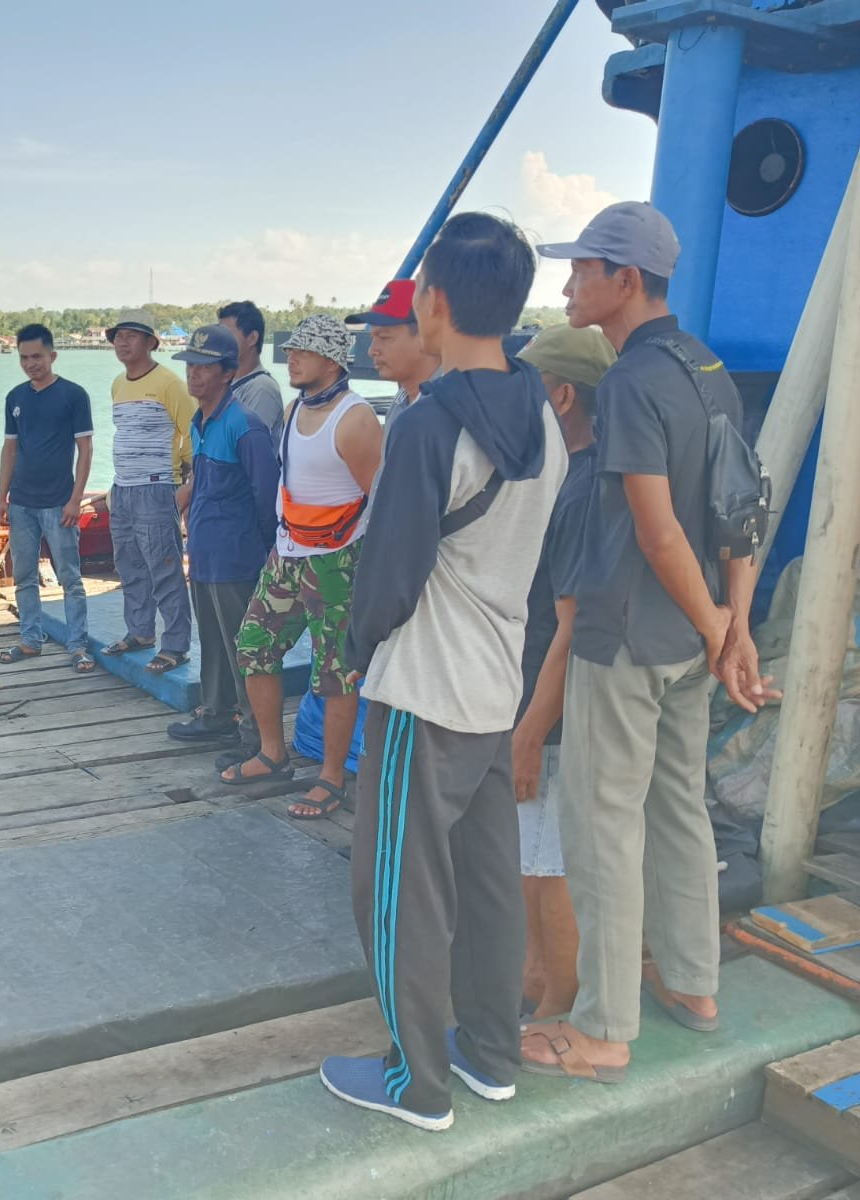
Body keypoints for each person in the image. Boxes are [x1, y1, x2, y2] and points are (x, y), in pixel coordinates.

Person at [320, 212, 567, 1132]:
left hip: (424, 687)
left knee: (396, 889)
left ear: (432, 301)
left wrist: (351, 655)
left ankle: (414, 1082)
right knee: (489, 881)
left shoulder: (429, 424)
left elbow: (387, 576)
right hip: (496, 679)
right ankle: (491, 1053)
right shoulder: (540, 409)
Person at [522, 203, 776, 1083]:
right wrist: (731, 629)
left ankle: (601, 1029)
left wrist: (719, 627)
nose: (566, 287)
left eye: (582, 270)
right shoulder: (707, 367)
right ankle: (695, 985)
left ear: (624, 280)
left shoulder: (630, 381)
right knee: (679, 813)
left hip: (628, 636)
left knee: (602, 828)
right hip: (690, 645)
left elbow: (660, 528)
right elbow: (740, 509)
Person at [225, 315, 383, 819]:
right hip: (288, 553)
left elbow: (378, 501)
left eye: (304, 351)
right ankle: (273, 752)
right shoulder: (294, 409)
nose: (291, 358)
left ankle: (332, 778)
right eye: (291, 349)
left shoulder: (356, 420)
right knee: (254, 644)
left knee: (336, 673)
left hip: (338, 560)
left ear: (333, 360)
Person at [510, 323, 615, 1020]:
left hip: (553, 704)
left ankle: (557, 1006)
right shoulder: (564, 473)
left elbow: (573, 628)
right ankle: (530, 979)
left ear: (564, 395)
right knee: (529, 855)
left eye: (529, 387)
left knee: (550, 863)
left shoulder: (583, 490)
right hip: (531, 691)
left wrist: (530, 730)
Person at [166, 324, 279, 744]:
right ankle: (215, 714)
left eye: (205, 367)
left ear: (228, 373)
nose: (194, 374)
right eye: (191, 365)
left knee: (243, 648)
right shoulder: (200, 422)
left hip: (236, 557)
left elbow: (267, 496)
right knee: (212, 640)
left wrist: (265, 553)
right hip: (205, 553)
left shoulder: (244, 426)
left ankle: (254, 733)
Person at [0, 323, 95, 672]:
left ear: (52, 355)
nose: (31, 363)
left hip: (58, 503)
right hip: (21, 503)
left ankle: (78, 645)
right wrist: (1, 497)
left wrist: (75, 499)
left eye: (37, 356)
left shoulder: (73, 395)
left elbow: (85, 449)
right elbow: (9, 449)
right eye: (24, 358)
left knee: (70, 577)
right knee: (23, 576)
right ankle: (30, 639)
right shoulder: (15, 398)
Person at [99, 307, 195, 674]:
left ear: (151, 343)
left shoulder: (169, 383)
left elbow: (193, 431)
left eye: (130, 336)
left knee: (165, 567)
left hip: (157, 489)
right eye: (117, 337)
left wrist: (184, 482)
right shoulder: (118, 385)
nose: (122, 343)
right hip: (123, 489)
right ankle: (140, 632)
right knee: (129, 565)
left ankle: (176, 645)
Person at [345, 279, 441, 429]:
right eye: (372, 338)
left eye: (384, 337)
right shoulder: (399, 404)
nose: (371, 351)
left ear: (425, 334)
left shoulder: (454, 410)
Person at [217, 300, 285, 452]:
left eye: (227, 335)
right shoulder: (225, 385)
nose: (221, 342)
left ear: (252, 338)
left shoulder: (262, 389)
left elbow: (250, 450)